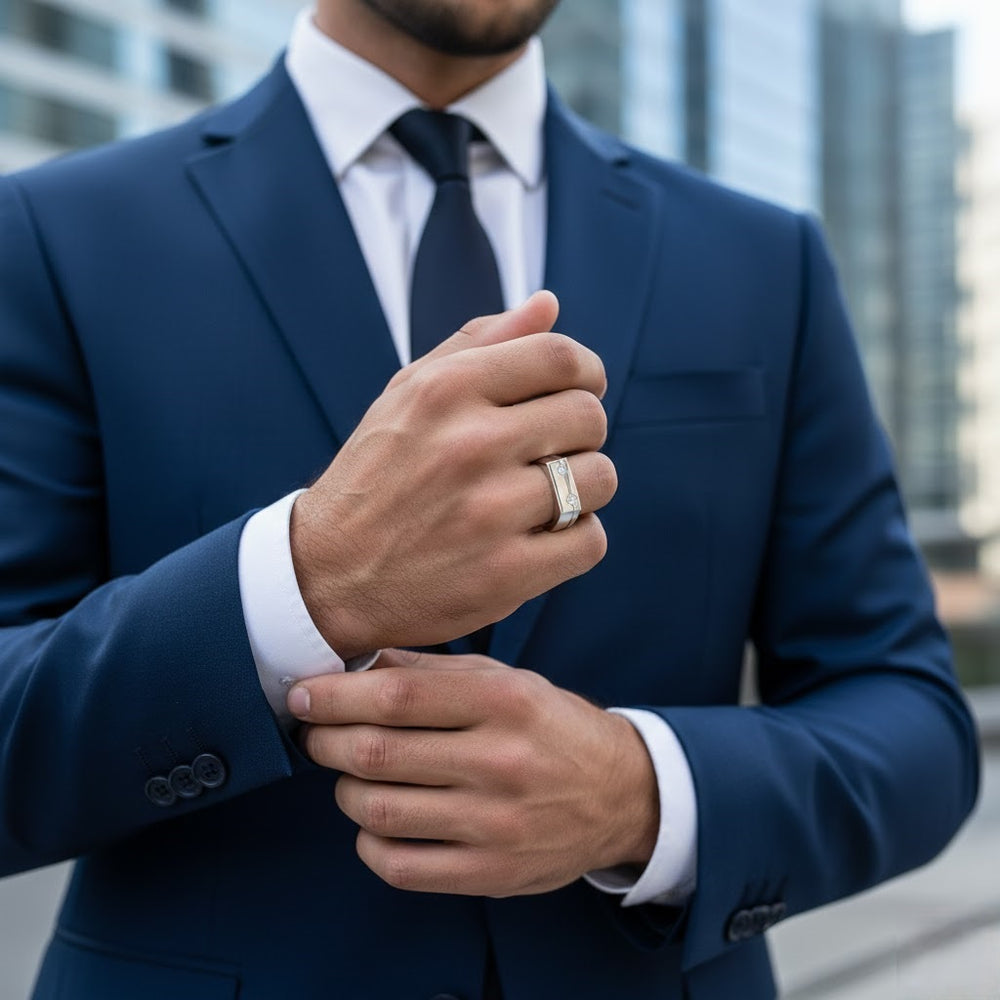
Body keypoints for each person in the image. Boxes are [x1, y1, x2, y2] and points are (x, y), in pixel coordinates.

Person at [0, 1, 980, 997]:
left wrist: (640, 793)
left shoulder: (765, 261)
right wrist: (304, 585)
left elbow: (911, 723)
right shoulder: (51, 234)